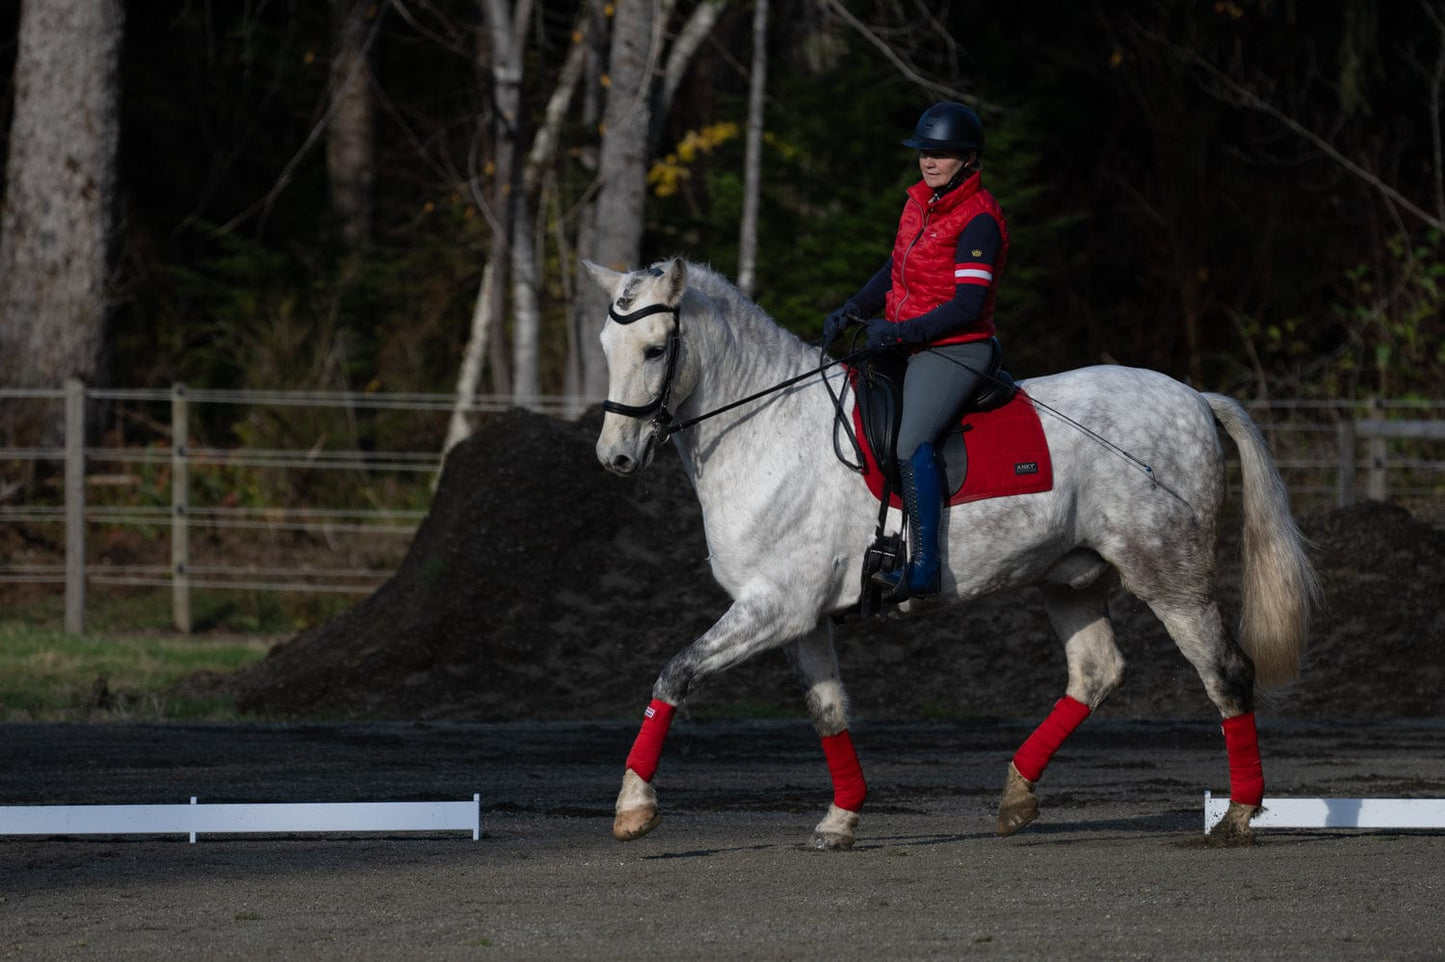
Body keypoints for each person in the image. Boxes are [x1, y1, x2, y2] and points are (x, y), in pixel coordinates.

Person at [823, 101, 1010, 601]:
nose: (929, 161)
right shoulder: (920, 201)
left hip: (955, 347)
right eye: (925, 152)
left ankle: (925, 566)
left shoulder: (979, 221)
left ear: (969, 159)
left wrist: (901, 335)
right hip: (906, 336)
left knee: (910, 442)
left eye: (942, 154)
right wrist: (853, 309)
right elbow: (895, 269)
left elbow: (969, 304)